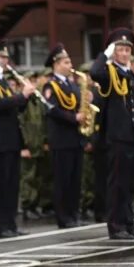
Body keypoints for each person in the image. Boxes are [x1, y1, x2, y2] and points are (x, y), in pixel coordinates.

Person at [89, 28, 134, 240]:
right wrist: (105, 53)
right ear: (114, 52)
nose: (124, 53)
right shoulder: (109, 72)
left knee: (129, 184)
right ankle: (116, 225)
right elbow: (95, 72)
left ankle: (128, 223)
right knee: (117, 184)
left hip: (129, 136)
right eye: (120, 49)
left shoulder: (129, 73)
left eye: (127, 49)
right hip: (116, 136)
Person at [0, 41, 36, 238]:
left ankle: (10, 224)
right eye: (0, 57)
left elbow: (13, 108)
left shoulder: (3, 81)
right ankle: (1, 226)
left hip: (11, 138)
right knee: (1, 184)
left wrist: (26, 97)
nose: (4, 61)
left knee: (12, 184)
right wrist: (21, 96)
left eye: (5, 58)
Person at [42, 44, 85, 229]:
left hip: (76, 138)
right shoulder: (50, 85)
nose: (70, 65)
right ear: (57, 64)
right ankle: (63, 216)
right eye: (67, 62)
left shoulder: (73, 84)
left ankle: (73, 213)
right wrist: (74, 117)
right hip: (61, 138)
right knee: (63, 179)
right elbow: (52, 110)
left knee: (75, 179)